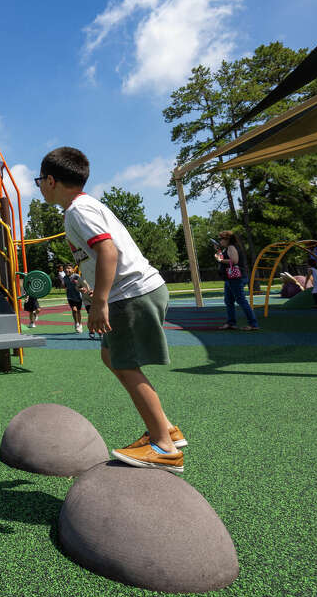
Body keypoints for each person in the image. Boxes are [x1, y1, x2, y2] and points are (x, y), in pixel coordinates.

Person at [38, 147, 185, 473]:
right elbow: (103, 255)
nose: (39, 186)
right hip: (134, 290)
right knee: (111, 356)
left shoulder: (78, 211)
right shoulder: (82, 208)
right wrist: (94, 290)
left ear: (50, 180)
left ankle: (164, 446)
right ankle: (166, 429)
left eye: (39, 180)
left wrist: (100, 302)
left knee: (125, 364)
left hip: (131, 295)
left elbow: (107, 251)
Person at [215, 230, 258, 331]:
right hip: (231, 278)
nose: (220, 241)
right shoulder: (227, 248)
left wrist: (220, 260)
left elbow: (234, 261)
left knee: (241, 300)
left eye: (221, 239)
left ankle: (253, 324)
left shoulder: (231, 247)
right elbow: (223, 257)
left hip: (236, 278)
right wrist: (218, 251)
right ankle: (231, 323)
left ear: (227, 239)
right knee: (229, 301)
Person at [65, 268, 84, 334]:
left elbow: (82, 285)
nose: (67, 270)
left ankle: (80, 323)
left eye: (69, 268)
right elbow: (65, 286)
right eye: (66, 269)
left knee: (78, 311)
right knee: (74, 310)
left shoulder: (77, 276)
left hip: (78, 296)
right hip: (70, 297)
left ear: (73, 270)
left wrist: (79, 285)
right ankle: (76, 323)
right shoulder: (65, 277)